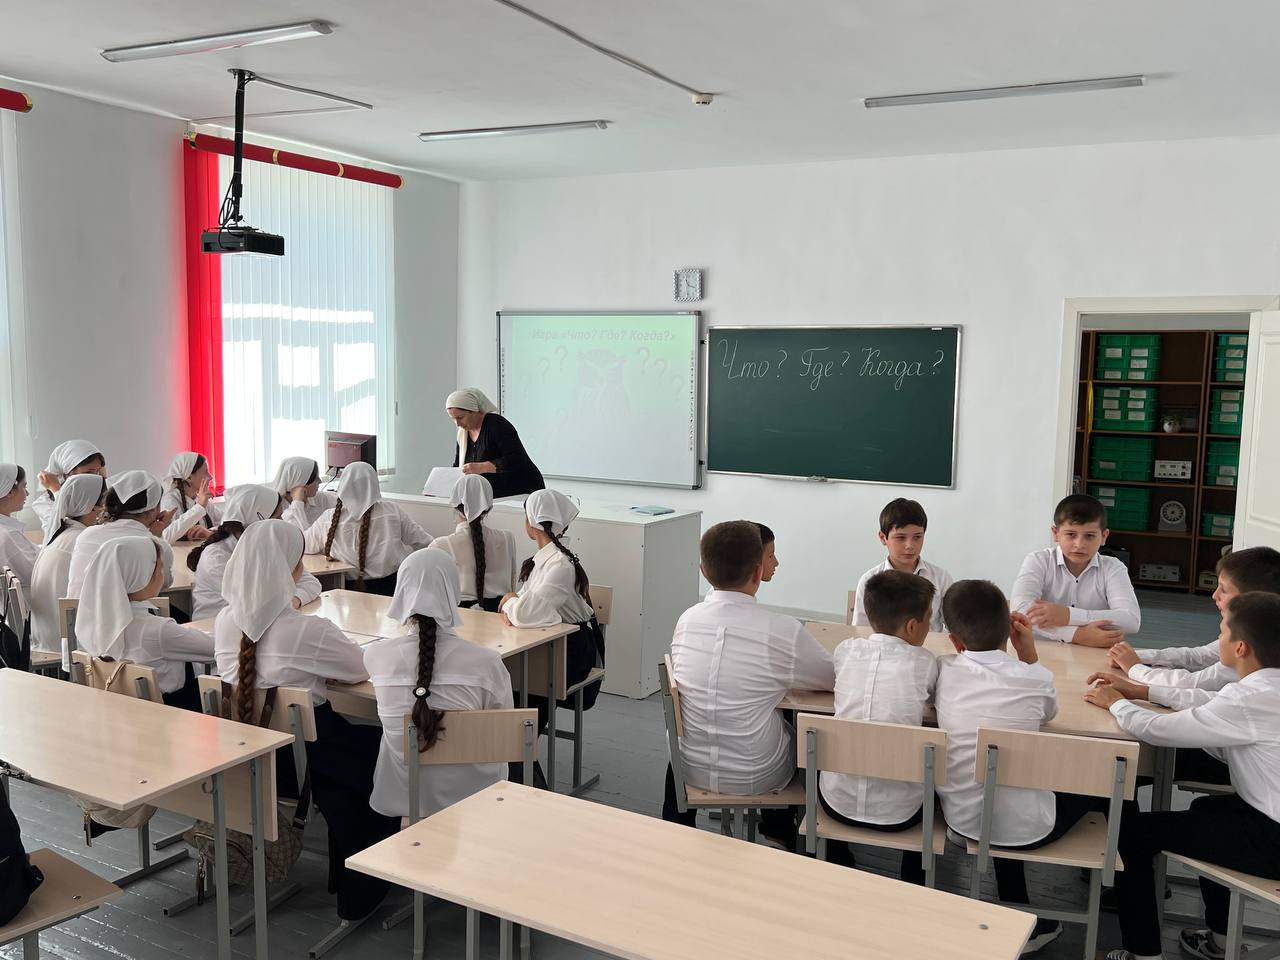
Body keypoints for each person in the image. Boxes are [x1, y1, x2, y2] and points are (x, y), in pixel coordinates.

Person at [213, 520, 398, 921]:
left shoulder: (224, 621)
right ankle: (367, 877)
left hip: (253, 759)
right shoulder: (305, 630)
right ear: (291, 569)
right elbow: (358, 668)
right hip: (310, 764)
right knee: (384, 753)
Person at [1085, 593, 1280, 960]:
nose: (1218, 637)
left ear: (1240, 647)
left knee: (1129, 834)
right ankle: (1220, 940)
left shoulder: (1248, 698)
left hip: (1271, 839)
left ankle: (1143, 953)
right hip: (1264, 819)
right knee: (1207, 810)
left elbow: (1159, 730)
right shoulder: (1262, 690)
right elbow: (1207, 704)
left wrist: (1116, 703)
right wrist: (1142, 691)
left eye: (1222, 631)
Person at [935, 579, 1101, 954]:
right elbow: (1049, 713)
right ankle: (1119, 899)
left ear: (955, 641)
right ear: (1009, 629)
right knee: (1114, 789)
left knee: (1000, 779)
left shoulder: (945, 670)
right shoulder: (1036, 678)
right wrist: (1029, 657)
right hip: (1030, 827)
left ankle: (1020, 906)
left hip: (962, 818)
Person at [663, 520, 834, 844]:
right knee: (801, 728)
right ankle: (785, 833)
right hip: (757, 774)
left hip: (689, 768)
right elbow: (832, 679)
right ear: (757, 573)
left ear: (703, 571)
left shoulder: (687, 619)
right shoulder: (782, 629)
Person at [365, 549, 514, 822]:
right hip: (476, 799)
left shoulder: (375, 656)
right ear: (453, 592)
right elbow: (504, 736)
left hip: (407, 800)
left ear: (401, 592)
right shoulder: (487, 663)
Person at [820, 569, 937, 883]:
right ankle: (913, 882)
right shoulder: (925, 662)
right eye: (929, 618)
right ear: (912, 626)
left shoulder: (845, 650)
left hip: (836, 804)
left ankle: (835, 860)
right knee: (934, 776)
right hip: (901, 813)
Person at [498, 488, 605, 738]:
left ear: (532, 521)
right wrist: (516, 606)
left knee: (530, 685)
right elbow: (525, 610)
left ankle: (519, 750)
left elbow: (524, 613)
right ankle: (513, 749)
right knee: (511, 680)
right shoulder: (544, 560)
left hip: (572, 649)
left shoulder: (560, 565)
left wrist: (511, 602)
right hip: (550, 644)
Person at [1109, 546, 1280, 700]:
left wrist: (1135, 668)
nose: (1215, 595)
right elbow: (1200, 655)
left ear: (1253, 599)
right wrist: (1138, 657)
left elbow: (1193, 684)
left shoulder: (1254, 644)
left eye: (1224, 589)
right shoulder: (1260, 625)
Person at [77, 537, 213, 710]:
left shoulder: (89, 623)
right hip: (175, 714)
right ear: (141, 576)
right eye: (160, 568)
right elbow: (217, 649)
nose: (163, 575)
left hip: (119, 714)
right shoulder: (157, 630)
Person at [1010, 494, 1141, 646]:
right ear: (1055, 533)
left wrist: (1067, 615)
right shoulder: (1038, 561)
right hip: (1040, 649)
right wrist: (1075, 635)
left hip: (1094, 652)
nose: (1079, 544)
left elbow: (1131, 620)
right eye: (1071, 534)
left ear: (1104, 536)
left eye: (1089, 536)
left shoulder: (1113, 568)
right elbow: (1020, 612)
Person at [190, 484, 321, 621]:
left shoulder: (267, 546)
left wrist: (294, 600)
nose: (282, 522)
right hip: (213, 628)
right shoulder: (216, 558)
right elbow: (255, 605)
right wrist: (287, 602)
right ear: (257, 521)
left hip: (257, 626)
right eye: (277, 517)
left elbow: (311, 583)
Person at [301, 462, 432, 596]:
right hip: (393, 590)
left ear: (343, 485)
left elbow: (304, 546)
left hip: (345, 592)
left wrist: (297, 503)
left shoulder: (328, 518)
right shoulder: (392, 511)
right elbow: (425, 542)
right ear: (374, 484)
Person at [30, 474, 106, 661]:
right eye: (105, 502)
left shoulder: (61, 533)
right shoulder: (83, 540)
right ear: (93, 507)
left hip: (47, 635)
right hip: (65, 643)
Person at [67, 471, 174, 598]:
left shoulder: (86, 535)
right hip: (125, 611)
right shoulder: (158, 546)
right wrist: (157, 536)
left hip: (79, 610)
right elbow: (164, 584)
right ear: (153, 509)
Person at [852, 498, 952, 632]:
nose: (910, 546)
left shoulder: (941, 578)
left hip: (930, 645)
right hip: (884, 646)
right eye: (900, 537)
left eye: (917, 537)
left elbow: (955, 627)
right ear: (883, 538)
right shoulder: (869, 580)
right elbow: (861, 630)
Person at [427, 475, 517, 612]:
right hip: (501, 615)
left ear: (454, 505)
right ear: (489, 507)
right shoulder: (507, 538)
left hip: (460, 617)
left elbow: (431, 596)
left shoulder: (440, 545)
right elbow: (512, 583)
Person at [445, 387, 545, 499]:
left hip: (521, 491)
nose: (457, 424)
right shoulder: (462, 434)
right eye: (453, 418)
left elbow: (517, 458)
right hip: (493, 496)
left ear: (475, 411)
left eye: (460, 417)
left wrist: (483, 467)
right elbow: (458, 466)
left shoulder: (497, 424)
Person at [32, 440, 106, 536]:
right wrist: (56, 490)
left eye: (98, 471)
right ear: (67, 474)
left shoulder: (96, 493)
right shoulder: (44, 503)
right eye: (89, 472)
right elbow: (62, 530)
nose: (95, 477)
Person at [160, 452, 218, 544]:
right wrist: (200, 507)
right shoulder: (170, 500)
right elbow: (166, 536)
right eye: (205, 472)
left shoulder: (200, 499)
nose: (211, 477)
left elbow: (227, 522)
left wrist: (211, 532)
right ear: (189, 478)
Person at [275, 456, 338, 530]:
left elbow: (343, 501)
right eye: (315, 478)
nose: (320, 481)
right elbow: (302, 535)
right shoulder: (278, 511)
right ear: (301, 482)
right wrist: (297, 503)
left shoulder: (317, 498)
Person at [0, 464, 37, 587]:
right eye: (24, 487)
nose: (27, 493)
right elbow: (36, 574)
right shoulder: (8, 535)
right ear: (10, 491)